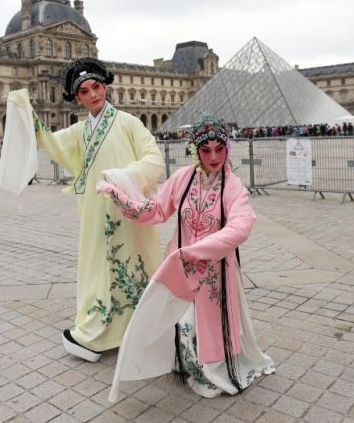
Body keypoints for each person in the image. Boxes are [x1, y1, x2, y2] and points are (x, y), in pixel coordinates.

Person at [1, 57, 164, 362]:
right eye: (86, 91)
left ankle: (137, 328)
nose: (93, 94)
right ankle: (98, 327)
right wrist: (25, 113)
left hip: (124, 211)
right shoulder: (80, 131)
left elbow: (154, 159)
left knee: (128, 265)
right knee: (96, 267)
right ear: (78, 98)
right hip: (93, 214)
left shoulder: (128, 123)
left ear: (105, 87)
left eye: (97, 86)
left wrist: (123, 178)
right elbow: (50, 142)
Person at [102, 112, 274, 401]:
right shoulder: (182, 178)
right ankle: (189, 366)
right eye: (206, 150)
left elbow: (240, 225)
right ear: (195, 150)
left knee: (201, 324)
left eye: (220, 149)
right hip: (180, 267)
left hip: (213, 272)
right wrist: (120, 195)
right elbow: (155, 210)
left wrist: (198, 250)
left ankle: (212, 367)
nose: (214, 156)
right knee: (180, 323)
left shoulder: (233, 186)